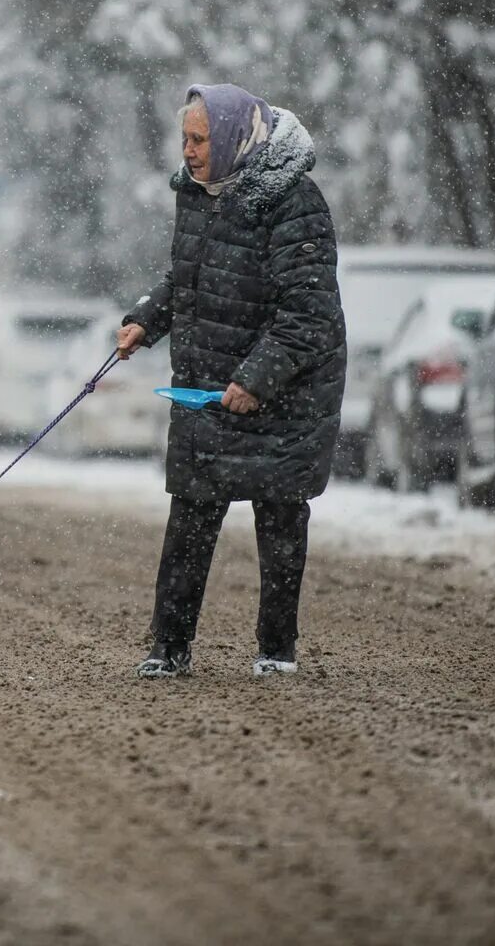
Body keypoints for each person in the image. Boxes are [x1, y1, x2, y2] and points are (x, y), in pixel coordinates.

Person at [116, 84, 347, 678]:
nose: (187, 152)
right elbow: (191, 275)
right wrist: (147, 319)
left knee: (280, 519)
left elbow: (309, 315)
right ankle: (168, 650)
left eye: (199, 140)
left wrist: (256, 379)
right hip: (208, 382)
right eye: (185, 139)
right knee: (191, 511)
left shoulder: (294, 202)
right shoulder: (198, 193)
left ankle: (276, 653)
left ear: (231, 139)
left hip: (287, 394)